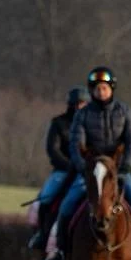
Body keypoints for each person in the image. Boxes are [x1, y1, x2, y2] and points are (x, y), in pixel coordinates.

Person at [44, 66, 131, 260]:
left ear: (111, 89)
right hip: (90, 173)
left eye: (104, 88)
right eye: (97, 89)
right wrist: (83, 168)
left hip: (118, 172)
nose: (101, 92)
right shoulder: (83, 115)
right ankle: (61, 252)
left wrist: (125, 166)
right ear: (92, 91)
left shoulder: (124, 112)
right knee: (66, 207)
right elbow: (75, 144)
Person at [27, 87, 87, 251]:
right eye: (77, 103)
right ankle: (42, 234)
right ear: (70, 104)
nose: (79, 107)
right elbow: (53, 150)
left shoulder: (91, 124)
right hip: (63, 171)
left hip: (87, 172)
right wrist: (71, 166)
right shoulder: (58, 123)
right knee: (45, 199)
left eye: (82, 103)